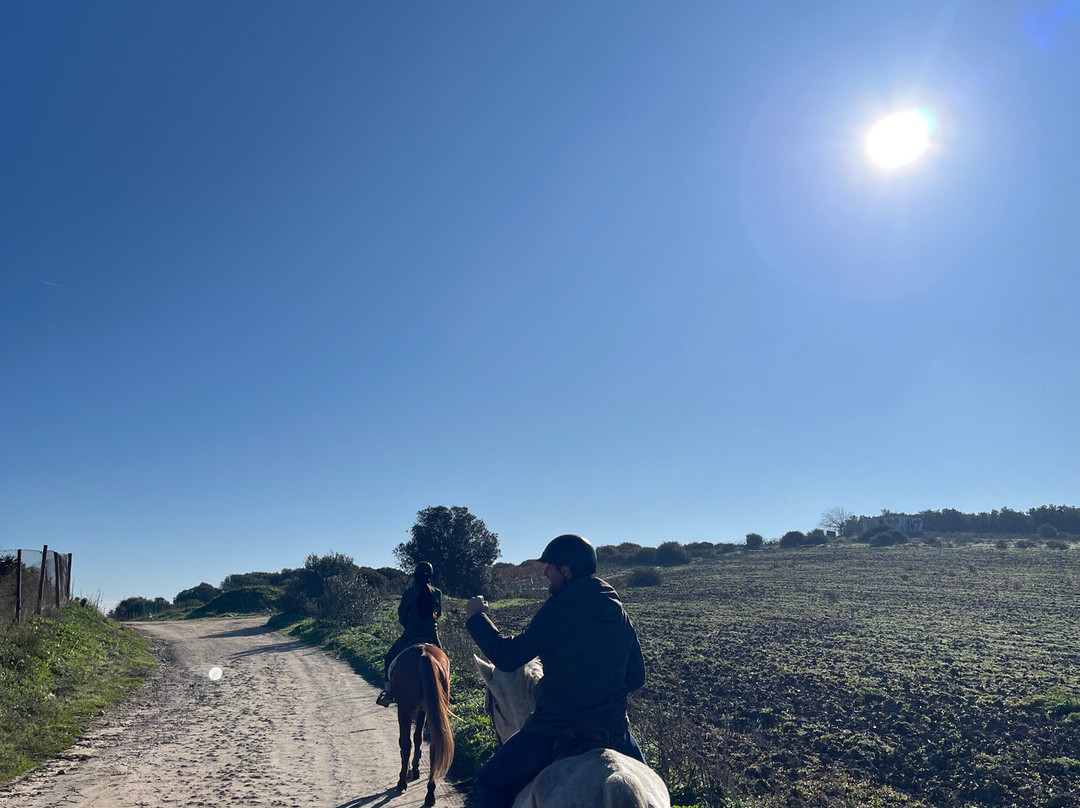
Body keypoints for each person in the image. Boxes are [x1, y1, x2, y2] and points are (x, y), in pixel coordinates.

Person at [465, 534, 646, 808]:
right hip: (613, 729)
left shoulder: (560, 608)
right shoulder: (618, 611)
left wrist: (477, 617)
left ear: (566, 571)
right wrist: (602, 699)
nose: (545, 572)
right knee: (650, 784)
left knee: (489, 781)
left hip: (554, 729)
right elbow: (636, 676)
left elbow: (508, 656)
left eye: (550, 566)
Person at [377, 561, 443, 707]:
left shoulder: (408, 593)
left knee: (389, 658)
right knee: (445, 662)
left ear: (414, 575)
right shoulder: (437, 593)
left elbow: (402, 616)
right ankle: (446, 693)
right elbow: (438, 614)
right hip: (431, 635)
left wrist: (409, 625)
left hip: (411, 635)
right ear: (430, 576)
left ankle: (388, 693)